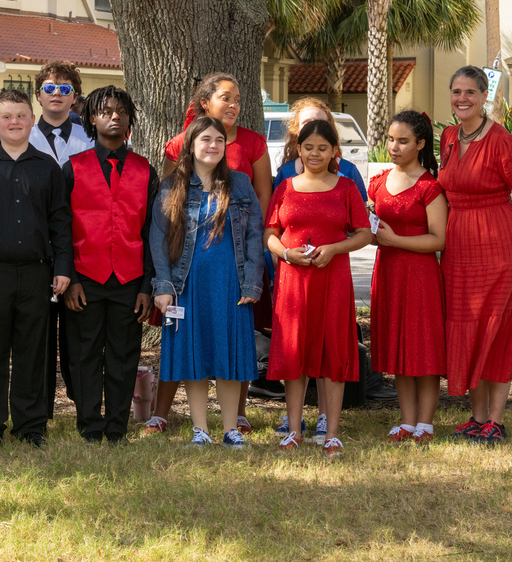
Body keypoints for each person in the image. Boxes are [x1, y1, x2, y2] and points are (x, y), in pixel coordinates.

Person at [146, 71, 271, 437]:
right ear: (191, 145)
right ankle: (200, 429)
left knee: (230, 357)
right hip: (187, 283)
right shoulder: (172, 186)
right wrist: (163, 284)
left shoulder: (242, 183)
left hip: (230, 281)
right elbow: (158, 236)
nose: (213, 145)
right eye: (205, 139)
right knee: (195, 354)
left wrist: (252, 281)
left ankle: (231, 429)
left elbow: (252, 235)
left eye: (219, 140)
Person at [0, 89, 73, 449]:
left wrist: (62, 266)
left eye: (21, 115)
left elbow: (60, 222)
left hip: (37, 273)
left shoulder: (47, 167)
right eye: (6, 116)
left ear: (31, 119)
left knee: (32, 352)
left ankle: (30, 426)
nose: (14, 122)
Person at [439, 66, 512, 444]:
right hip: (458, 248)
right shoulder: (448, 137)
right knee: (467, 327)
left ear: (484, 97)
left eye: (470, 92)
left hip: (499, 248)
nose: (462, 98)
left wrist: (495, 226)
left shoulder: (502, 141)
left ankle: (495, 420)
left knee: (496, 329)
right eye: (456, 91)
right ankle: (477, 418)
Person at [264, 120, 372, 457]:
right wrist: (287, 253)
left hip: (333, 280)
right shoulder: (285, 188)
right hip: (293, 282)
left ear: (334, 152)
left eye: (322, 148)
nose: (315, 153)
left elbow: (364, 234)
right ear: (299, 148)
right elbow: (270, 234)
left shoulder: (346, 188)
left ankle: (333, 433)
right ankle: (293, 430)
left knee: (333, 351)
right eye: (308, 147)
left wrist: (335, 249)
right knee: (294, 351)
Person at [63, 85, 157, 444]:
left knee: (123, 353)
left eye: (121, 111)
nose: (114, 116)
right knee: (85, 354)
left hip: (130, 280)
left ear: (130, 118)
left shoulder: (145, 170)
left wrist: (147, 285)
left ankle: (117, 425)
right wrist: (69, 278)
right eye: (105, 111)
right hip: (85, 277)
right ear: (91, 118)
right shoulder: (72, 168)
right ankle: (89, 424)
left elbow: (152, 233)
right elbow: (62, 229)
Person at [369, 110, 447, 445]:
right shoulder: (378, 181)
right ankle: (406, 420)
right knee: (398, 347)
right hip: (387, 271)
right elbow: (373, 231)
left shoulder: (430, 187)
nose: (394, 146)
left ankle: (425, 424)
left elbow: (438, 239)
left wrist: (395, 240)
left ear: (420, 144)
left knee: (423, 347)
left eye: (403, 141)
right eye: (390, 139)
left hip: (420, 275)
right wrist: (372, 232)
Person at [27, 61, 95, 419]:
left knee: (75, 336)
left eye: (65, 89)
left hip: (80, 248)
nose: (56, 94)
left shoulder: (90, 137)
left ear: (75, 98)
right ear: (38, 95)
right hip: (35, 249)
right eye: (50, 87)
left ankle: (84, 408)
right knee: (38, 336)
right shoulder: (22, 136)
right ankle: (40, 410)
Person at [273, 97, 368, 201]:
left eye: (320, 122)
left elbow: (361, 211)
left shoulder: (349, 170)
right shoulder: (286, 172)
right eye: (307, 123)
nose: (314, 128)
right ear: (296, 130)